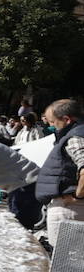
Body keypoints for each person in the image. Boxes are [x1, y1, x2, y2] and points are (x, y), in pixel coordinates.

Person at [37, 99, 84, 251]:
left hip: (70, 208)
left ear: (66, 119)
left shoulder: (75, 138)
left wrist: (78, 196)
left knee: (64, 263)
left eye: (52, 121)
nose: (50, 126)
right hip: (71, 207)